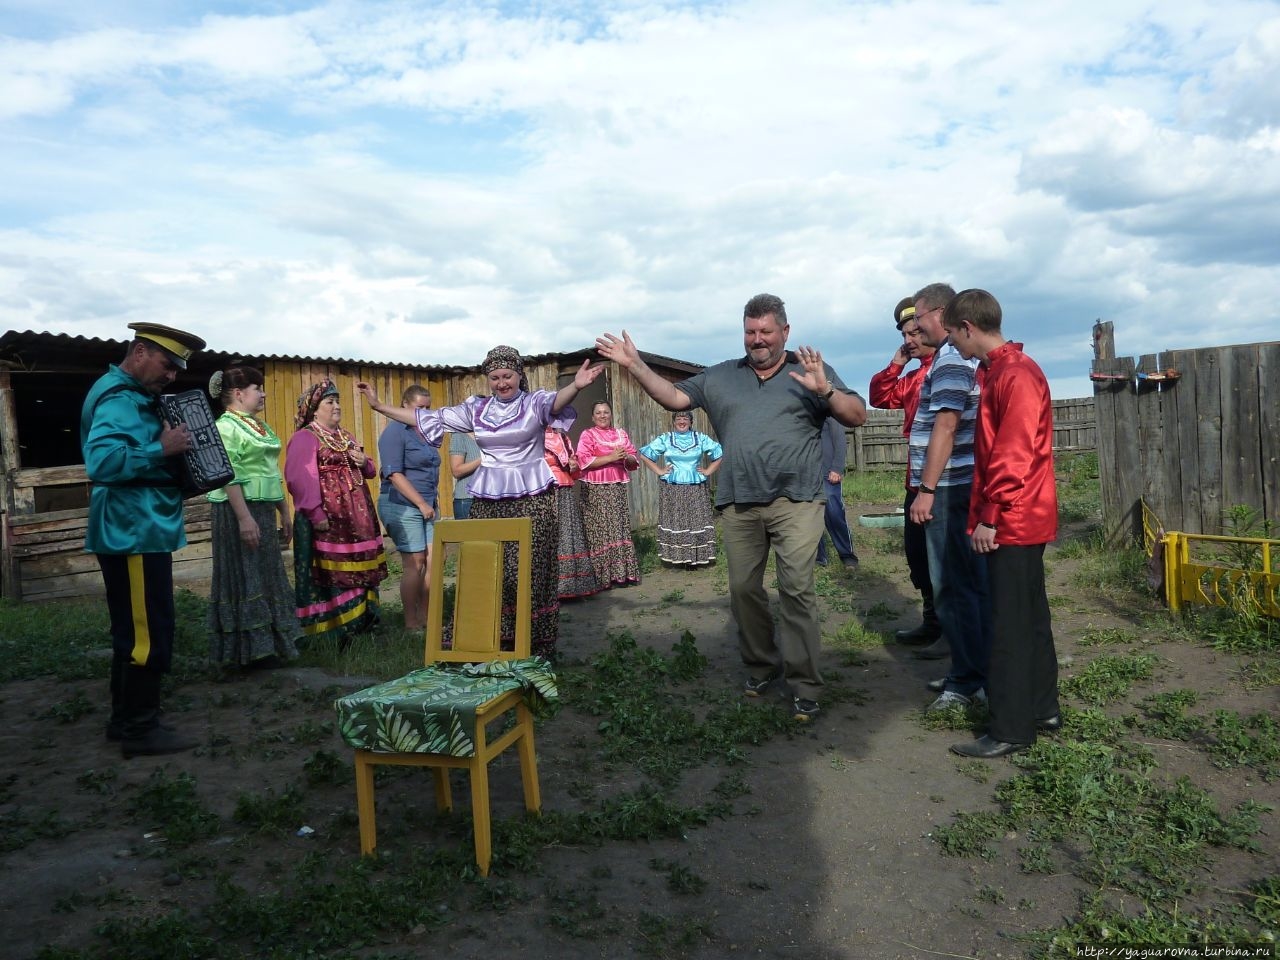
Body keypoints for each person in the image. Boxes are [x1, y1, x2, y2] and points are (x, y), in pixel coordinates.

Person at [596, 293, 867, 722]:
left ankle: (804, 684)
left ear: (785, 332)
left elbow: (856, 416)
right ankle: (762, 666)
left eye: (766, 332)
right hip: (739, 502)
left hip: (796, 499)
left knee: (796, 588)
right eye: (750, 332)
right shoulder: (721, 376)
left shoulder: (810, 369)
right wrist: (635, 365)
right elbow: (673, 398)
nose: (757, 340)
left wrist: (827, 390)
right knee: (743, 590)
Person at [355, 346, 605, 658]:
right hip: (488, 501)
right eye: (495, 377)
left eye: (508, 376)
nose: (502, 383)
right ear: (488, 379)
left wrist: (576, 386)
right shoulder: (477, 409)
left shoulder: (533, 403)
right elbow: (427, 418)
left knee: (530, 570)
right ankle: (488, 641)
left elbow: (557, 401)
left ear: (519, 376)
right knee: (489, 569)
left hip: (532, 501)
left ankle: (532, 645)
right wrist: (379, 406)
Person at [941, 290, 1060, 757]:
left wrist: (990, 516)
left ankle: (1011, 729)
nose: (951, 343)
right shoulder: (1003, 371)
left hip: (1013, 518)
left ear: (968, 326)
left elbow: (1013, 453)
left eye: (952, 334)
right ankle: (1041, 707)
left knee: (1008, 624)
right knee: (1029, 618)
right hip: (1022, 515)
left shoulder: (1014, 374)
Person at [81, 321, 205, 757]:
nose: (171, 375)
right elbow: (101, 463)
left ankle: (124, 721)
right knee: (148, 630)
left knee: (134, 627)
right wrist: (161, 448)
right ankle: (139, 729)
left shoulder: (132, 395)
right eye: (166, 364)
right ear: (138, 352)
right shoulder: (118, 398)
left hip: (140, 524)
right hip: (132, 527)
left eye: (176, 370)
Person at [907, 283, 990, 712]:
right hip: (951, 486)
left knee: (953, 586)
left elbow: (947, 425)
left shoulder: (953, 359)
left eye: (919, 317)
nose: (915, 326)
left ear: (939, 313)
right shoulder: (946, 357)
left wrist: (927, 489)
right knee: (961, 584)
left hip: (951, 488)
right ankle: (970, 668)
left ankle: (967, 682)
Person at [206, 366, 300, 667]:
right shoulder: (226, 426)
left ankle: (274, 644)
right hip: (237, 509)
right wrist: (244, 518)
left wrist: (284, 511)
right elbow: (227, 475)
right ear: (238, 393)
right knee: (246, 575)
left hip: (261, 508)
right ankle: (246, 652)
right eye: (257, 388)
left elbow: (271, 471)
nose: (263, 393)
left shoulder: (259, 425)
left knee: (268, 573)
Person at [284, 380, 387, 641]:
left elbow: (371, 472)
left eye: (337, 401)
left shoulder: (346, 436)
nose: (337, 406)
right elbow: (299, 478)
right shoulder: (305, 437)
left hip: (357, 518)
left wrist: (365, 461)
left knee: (360, 567)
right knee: (335, 571)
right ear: (314, 410)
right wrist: (315, 513)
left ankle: (365, 624)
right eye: (330, 402)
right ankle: (337, 631)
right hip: (329, 519)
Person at [869, 298, 943, 658]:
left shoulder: (952, 369)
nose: (909, 339)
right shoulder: (912, 377)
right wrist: (897, 362)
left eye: (915, 331)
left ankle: (952, 629)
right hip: (915, 484)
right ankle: (933, 621)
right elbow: (880, 396)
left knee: (947, 560)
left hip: (948, 484)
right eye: (904, 334)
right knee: (917, 556)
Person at [378, 385, 440, 631]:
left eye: (428, 407)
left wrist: (431, 502)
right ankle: (411, 624)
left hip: (428, 506)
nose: (424, 412)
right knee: (415, 562)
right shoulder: (395, 431)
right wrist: (421, 503)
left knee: (434, 561)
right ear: (404, 405)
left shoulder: (426, 433)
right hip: (402, 505)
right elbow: (393, 473)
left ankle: (428, 618)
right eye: (419, 408)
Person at [638, 410, 724, 566]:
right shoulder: (666, 438)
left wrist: (708, 471)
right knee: (676, 520)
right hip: (672, 487)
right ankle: (676, 557)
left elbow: (719, 453)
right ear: (674, 421)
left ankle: (698, 557)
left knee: (696, 519)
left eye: (686, 418)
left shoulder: (700, 438)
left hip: (695, 486)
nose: (682, 421)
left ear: (691, 422)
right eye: (679, 418)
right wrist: (659, 471)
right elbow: (645, 454)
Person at [576, 401, 642, 588]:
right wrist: (611, 458)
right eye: (598, 413)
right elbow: (583, 460)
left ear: (611, 414)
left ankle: (622, 574)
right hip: (595, 488)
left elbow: (632, 459)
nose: (603, 415)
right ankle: (602, 576)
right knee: (600, 527)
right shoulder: (588, 435)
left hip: (616, 486)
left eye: (606, 412)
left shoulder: (620, 434)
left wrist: (626, 457)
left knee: (618, 525)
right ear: (592, 417)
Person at [543, 425, 600, 598]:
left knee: (569, 533)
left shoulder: (562, 436)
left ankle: (574, 584)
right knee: (549, 534)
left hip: (564, 489)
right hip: (544, 489)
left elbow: (573, 462)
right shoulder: (532, 434)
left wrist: (573, 464)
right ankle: (551, 586)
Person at [815, 418, 859, 569]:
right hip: (806, 475)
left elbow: (840, 439)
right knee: (810, 518)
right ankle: (819, 558)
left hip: (828, 473)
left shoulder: (828, 412)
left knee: (834, 514)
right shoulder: (800, 410)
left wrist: (837, 467)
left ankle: (847, 555)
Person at [448, 431, 482, 518]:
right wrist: (482, 459)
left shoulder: (488, 435)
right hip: (467, 500)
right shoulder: (459, 435)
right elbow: (456, 470)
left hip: (488, 499)